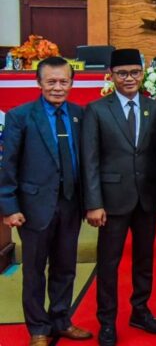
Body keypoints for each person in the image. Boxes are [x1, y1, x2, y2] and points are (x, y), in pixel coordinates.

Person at [81, 49, 156, 346]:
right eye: (122, 73)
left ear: (142, 73)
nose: (129, 78)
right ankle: (107, 321)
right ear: (111, 75)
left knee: (144, 260)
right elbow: (90, 160)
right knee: (108, 264)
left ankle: (140, 311)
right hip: (111, 201)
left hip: (147, 199)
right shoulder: (96, 110)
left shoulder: (155, 109)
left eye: (134, 72)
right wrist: (93, 203)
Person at [0, 57, 92, 346]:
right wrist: (9, 207)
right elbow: (8, 165)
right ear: (39, 82)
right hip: (34, 207)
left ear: (72, 83)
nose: (57, 87)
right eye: (51, 81)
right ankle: (38, 328)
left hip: (70, 204)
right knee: (34, 271)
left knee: (66, 267)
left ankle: (61, 320)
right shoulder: (20, 116)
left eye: (64, 81)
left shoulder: (79, 115)